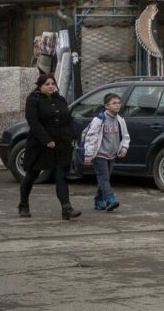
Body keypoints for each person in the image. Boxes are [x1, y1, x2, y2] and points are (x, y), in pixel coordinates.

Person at [19, 73, 81, 220]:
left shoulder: (61, 99)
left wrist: (73, 134)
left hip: (61, 143)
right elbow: (33, 122)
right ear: (40, 87)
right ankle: (23, 204)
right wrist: (46, 140)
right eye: (47, 84)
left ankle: (66, 208)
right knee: (32, 175)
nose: (51, 86)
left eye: (53, 83)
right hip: (40, 144)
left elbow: (68, 119)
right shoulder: (33, 100)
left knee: (60, 175)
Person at [83, 92, 131, 212]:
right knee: (104, 178)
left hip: (112, 154)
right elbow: (91, 137)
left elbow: (125, 136)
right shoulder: (99, 120)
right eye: (114, 103)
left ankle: (98, 201)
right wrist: (88, 155)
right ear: (106, 106)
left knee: (104, 178)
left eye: (119, 103)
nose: (117, 105)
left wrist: (124, 148)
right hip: (99, 154)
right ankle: (110, 199)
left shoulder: (120, 120)